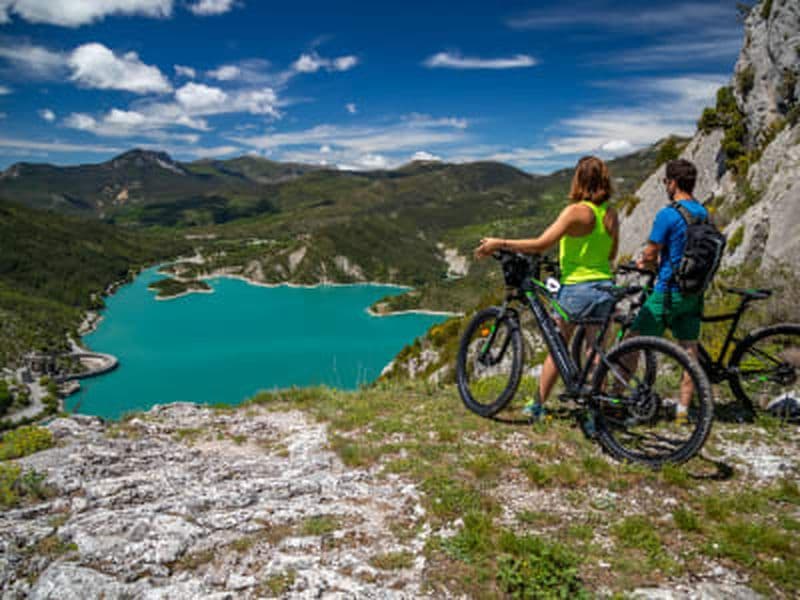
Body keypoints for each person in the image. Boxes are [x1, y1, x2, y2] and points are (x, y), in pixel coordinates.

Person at [475, 156, 619, 420]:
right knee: (594, 350)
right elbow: (612, 253)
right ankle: (596, 409)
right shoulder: (610, 213)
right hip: (605, 286)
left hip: (577, 288)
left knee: (557, 344)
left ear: (579, 179)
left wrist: (500, 242)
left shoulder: (576, 211)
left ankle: (537, 405)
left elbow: (541, 244)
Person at [630, 158, 707, 425]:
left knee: (633, 341)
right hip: (693, 292)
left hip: (668, 290)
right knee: (689, 349)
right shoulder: (702, 212)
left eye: (665, 181)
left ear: (672, 182)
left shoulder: (668, 214)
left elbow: (652, 252)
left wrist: (642, 262)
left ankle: (617, 400)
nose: (665, 185)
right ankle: (683, 411)